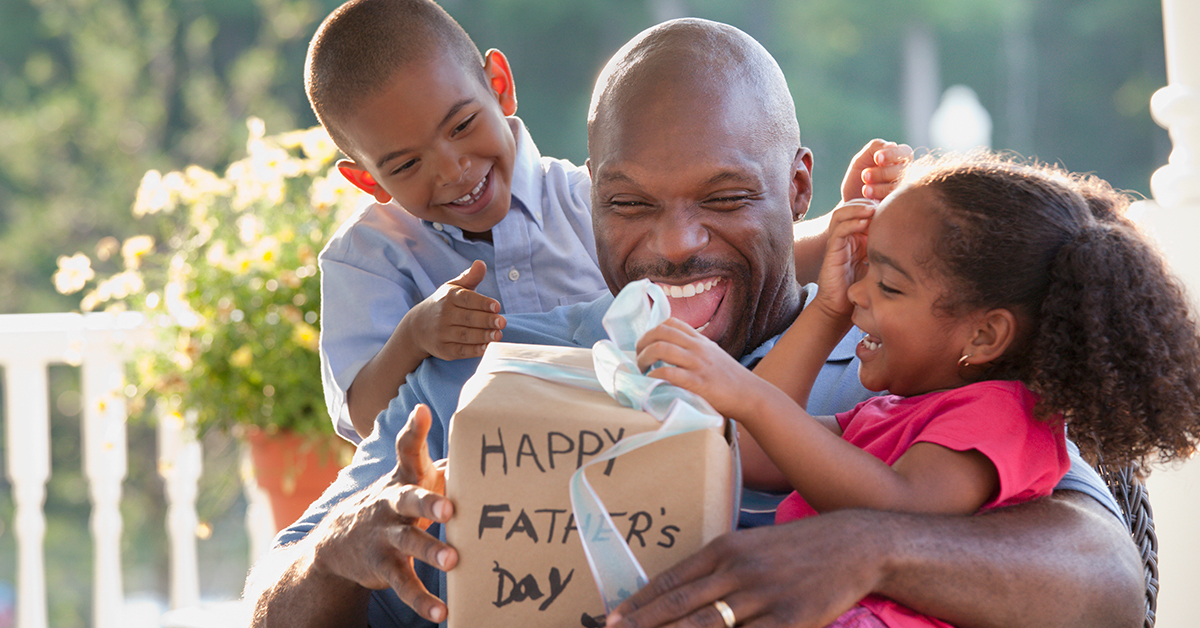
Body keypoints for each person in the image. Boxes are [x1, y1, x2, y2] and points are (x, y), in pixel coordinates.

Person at [244, 18, 1144, 628]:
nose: (674, 245)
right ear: (586, 196)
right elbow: (265, 605)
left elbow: (1108, 581)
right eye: (627, 201)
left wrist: (868, 548)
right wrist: (341, 549)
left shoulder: (905, 366)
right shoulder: (492, 369)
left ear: (798, 189)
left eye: (723, 198)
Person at [630, 153, 1200, 628]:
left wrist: (751, 396)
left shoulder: (1001, 417)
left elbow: (897, 509)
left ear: (983, 334)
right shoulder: (894, 412)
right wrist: (827, 310)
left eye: (889, 285)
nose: (859, 296)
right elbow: (755, 454)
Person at [306, 0, 910, 442]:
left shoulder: (894, 364)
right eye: (407, 163)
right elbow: (368, 425)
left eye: (462, 126)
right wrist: (415, 339)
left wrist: (856, 226)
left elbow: (764, 255)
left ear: (500, 86)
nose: (454, 169)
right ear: (367, 181)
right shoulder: (377, 265)